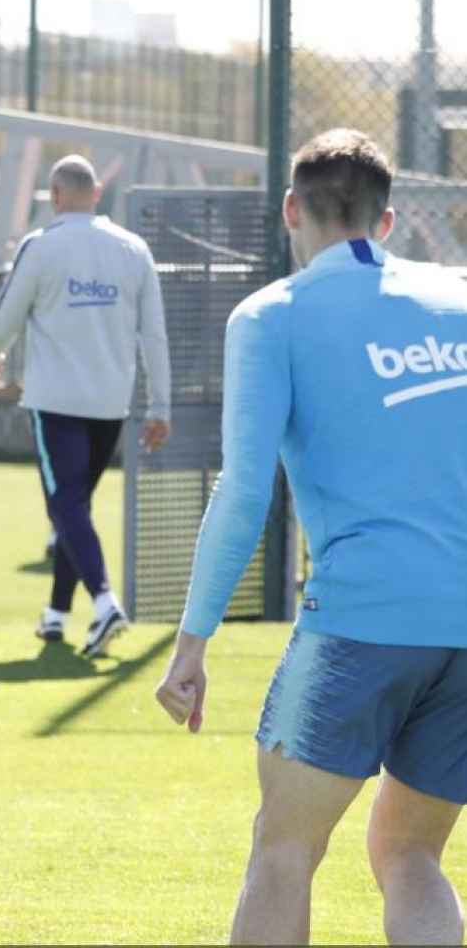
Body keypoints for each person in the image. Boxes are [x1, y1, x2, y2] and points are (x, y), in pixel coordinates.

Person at [156, 129, 467, 945]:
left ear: (290, 209)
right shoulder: (460, 298)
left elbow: (245, 489)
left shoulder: (271, 316)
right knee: (409, 852)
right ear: (389, 220)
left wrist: (193, 641)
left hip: (359, 622)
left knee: (283, 848)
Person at [0, 154, 172, 657]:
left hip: (55, 400)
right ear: (97, 195)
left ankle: (105, 602)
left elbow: (10, 309)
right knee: (75, 508)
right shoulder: (134, 249)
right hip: (110, 403)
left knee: (64, 505)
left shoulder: (41, 246)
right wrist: (160, 406)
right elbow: (154, 334)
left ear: (55, 196)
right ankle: (56, 616)